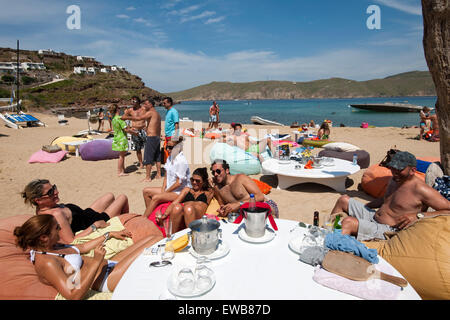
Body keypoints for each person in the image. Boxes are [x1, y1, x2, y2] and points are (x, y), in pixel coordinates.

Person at [14, 214, 162, 299]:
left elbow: (82, 247)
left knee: (153, 239)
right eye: (57, 228)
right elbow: (73, 295)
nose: (60, 230)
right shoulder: (47, 262)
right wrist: (97, 261)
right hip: (106, 279)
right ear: (44, 237)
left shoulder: (53, 247)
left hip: (108, 265)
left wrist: (109, 234)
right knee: (154, 246)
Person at [328, 151, 450, 241]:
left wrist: (418, 215)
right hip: (374, 216)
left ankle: (331, 249)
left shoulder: (421, 189)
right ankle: (327, 233)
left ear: (412, 170)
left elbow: (448, 210)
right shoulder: (395, 179)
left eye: (399, 169)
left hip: (389, 229)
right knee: (343, 200)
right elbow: (388, 200)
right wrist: (366, 206)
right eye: (393, 168)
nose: (394, 172)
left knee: (348, 222)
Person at [21, 179, 130, 244]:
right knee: (122, 198)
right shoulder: (56, 215)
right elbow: (71, 240)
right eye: (50, 192)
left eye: (54, 187)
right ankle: (126, 223)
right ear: (38, 200)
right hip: (92, 222)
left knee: (109, 196)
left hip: (85, 214)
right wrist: (95, 225)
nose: (56, 192)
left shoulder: (40, 209)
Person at [209, 159, 279, 218]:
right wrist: (224, 211)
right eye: (213, 172)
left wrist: (239, 204)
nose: (215, 174)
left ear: (227, 171)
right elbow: (223, 205)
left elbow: (260, 197)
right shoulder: (217, 188)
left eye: (218, 171)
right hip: (244, 213)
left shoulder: (240, 178)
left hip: (262, 204)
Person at [142, 136, 191, 217]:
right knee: (146, 191)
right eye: (167, 147)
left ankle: (144, 219)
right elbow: (166, 176)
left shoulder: (181, 161)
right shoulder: (169, 158)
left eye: (170, 147)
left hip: (179, 192)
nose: (168, 149)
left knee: (155, 198)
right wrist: (163, 189)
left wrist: (166, 191)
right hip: (170, 189)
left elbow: (179, 183)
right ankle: (151, 215)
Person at [155, 167, 214, 233]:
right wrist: (164, 215)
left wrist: (211, 182)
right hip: (183, 216)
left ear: (203, 182)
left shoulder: (209, 192)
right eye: (192, 180)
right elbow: (175, 203)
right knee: (177, 207)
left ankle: (192, 237)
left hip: (196, 216)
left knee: (188, 208)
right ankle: (173, 236)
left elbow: (220, 187)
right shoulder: (187, 190)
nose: (194, 182)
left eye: (197, 181)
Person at [122, 98, 162, 181]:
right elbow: (155, 125)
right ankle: (158, 174)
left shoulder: (151, 112)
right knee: (157, 156)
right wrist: (147, 128)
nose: (144, 106)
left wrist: (126, 117)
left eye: (146, 104)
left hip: (152, 137)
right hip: (157, 137)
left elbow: (139, 118)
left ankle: (148, 177)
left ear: (151, 104)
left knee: (148, 157)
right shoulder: (157, 114)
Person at [122, 96, 147, 169]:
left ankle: (148, 161)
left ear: (138, 102)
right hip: (135, 130)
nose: (132, 103)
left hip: (143, 130)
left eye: (134, 101)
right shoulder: (130, 110)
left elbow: (150, 117)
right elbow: (123, 118)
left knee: (147, 147)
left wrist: (148, 126)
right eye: (131, 101)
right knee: (138, 148)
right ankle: (141, 163)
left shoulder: (144, 109)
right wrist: (129, 127)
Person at [111, 104, 133, 177]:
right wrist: (134, 132)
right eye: (119, 108)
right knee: (121, 156)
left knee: (122, 155)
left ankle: (122, 169)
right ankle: (120, 171)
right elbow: (125, 129)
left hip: (117, 137)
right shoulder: (120, 118)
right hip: (122, 138)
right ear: (117, 109)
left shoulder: (114, 119)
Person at [162, 97, 179, 163]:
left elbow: (176, 124)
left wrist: (175, 136)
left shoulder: (173, 111)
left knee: (173, 152)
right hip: (168, 135)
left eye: (164, 103)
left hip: (172, 135)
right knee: (169, 151)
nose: (163, 104)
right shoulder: (168, 111)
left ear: (169, 103)